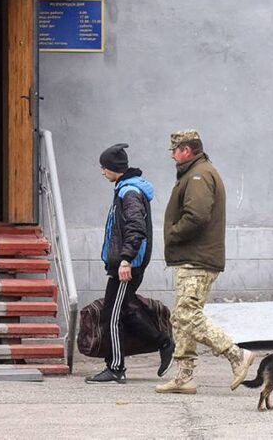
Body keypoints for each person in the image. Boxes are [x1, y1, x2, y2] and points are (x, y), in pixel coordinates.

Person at [156, 130, 255, 395]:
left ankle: (236, 355)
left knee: (187, 315)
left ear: (187, 150)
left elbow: (197, 216)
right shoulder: (195, 172)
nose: (172, 154)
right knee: (183, 318)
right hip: (193, 257)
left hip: (197, 258)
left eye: (174, 149)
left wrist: (173, 233)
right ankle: (184, 377)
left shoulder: (199, 175)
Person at [86, 143, 174, 384]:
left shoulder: (130, 192)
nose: (102, 171)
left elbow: (135, 229)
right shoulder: (126, 189)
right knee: (121, 311)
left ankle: (115, 367)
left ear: (114, 168)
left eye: (104, 167)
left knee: (111, 315)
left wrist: (125, 260)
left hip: (128, 265)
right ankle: (163, 342)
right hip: (125, 263)